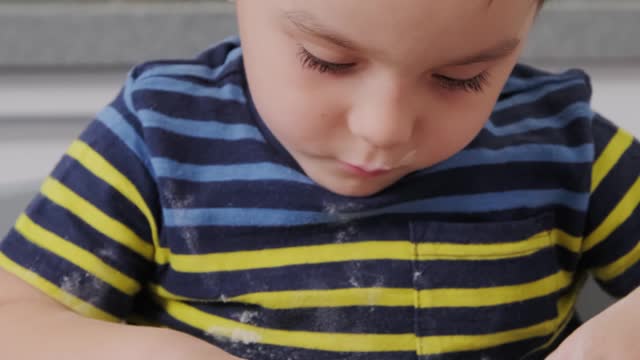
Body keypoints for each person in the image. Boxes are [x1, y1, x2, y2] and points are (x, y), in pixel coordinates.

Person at [0, 0, 638, 359]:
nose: (385, 128)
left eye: (461, 79)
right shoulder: (156, 136)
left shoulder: (565, 143)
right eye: (327, 61)